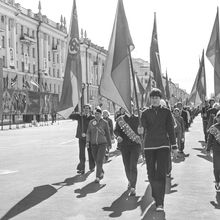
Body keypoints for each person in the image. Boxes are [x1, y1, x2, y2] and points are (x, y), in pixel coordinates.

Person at [138, 88, 177, 212]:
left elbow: (171, 129)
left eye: (157, 97)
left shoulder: (166, 112)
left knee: (161, 173)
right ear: (150, 99)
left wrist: (174, 146)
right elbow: (142, 126)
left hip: (163, 146)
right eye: (153, 97)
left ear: (160, 99)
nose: (154, 99)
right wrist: (140, 129)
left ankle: (160, 202)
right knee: (151, 173)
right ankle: (156, 193)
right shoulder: (145, 112)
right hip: (149, 146)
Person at [114, 108, 141, 196]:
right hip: (124, 146)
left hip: (135, 145)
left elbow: (144, 131)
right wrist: (118, 136)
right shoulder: (120, 119)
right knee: (126, 165)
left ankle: (133, 186)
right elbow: (116, 130)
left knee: (133, 165)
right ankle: (130, 180)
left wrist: (141, 132)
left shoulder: (138, 119)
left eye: (131, 106)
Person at [86, 107, 112, 183]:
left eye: (98, 113)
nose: (97, 115)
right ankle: (101, 171)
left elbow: (107, 133)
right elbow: (88, 132)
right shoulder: (91, 122)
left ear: (101, 114)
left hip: (102, 144)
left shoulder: (105, 122)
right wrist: (87, 141)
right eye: (95, 114)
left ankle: (97, 177)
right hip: (93, 144)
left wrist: (109, 143)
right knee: (96, 160)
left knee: (99, 160)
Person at [69, 104, 95, 174]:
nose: (86, 109)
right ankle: (82, 168)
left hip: (89, 138)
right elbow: (70, 115)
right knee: (82, 153)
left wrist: (88, 134)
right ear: (83, 109)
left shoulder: (93, 118)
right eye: (85, 108)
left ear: (90, 109)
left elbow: (94, 128)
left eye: (87, 108)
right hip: (81, 138)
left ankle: (92, 166)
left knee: (90, 152)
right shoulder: (80, 116)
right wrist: (72, 110)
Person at [206, 110, 220, 192]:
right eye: (219, 116)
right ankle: (217, 182)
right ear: (217, 118)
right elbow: (209, 139)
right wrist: (208, 149)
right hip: (216, 151)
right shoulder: (213, 128)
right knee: (217, 167)